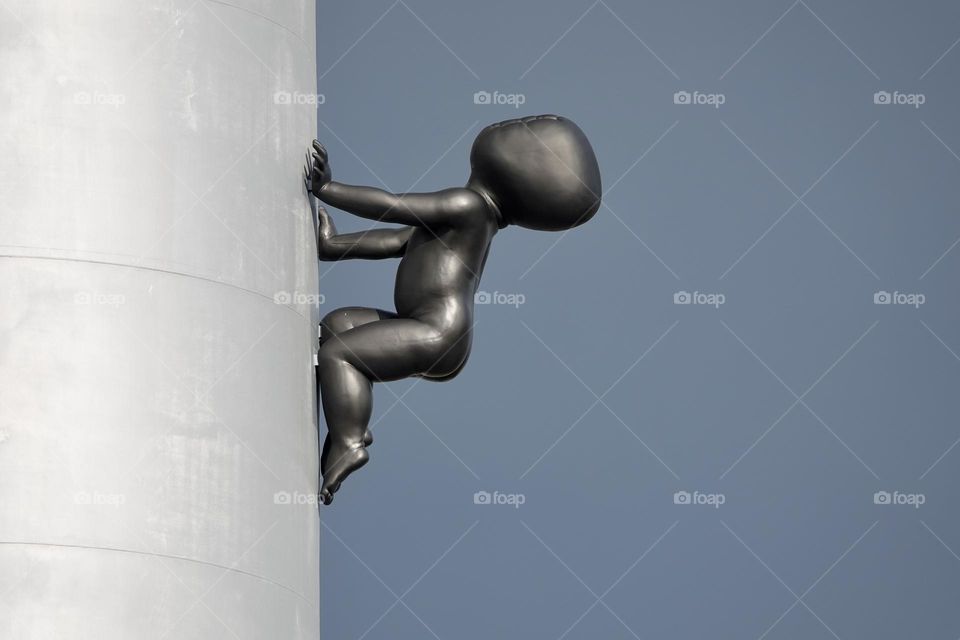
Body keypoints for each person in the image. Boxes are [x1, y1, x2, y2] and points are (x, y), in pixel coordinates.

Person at [305, 115, 601, 504]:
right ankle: (348, 409)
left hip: (435, 331)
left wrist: (330, 189)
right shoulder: (476, 219)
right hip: (434, 330)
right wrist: (333, 246)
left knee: (339, 354)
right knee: (338, 325)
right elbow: (396, 241)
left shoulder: (467, 205)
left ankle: (349, 438)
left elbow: (394, 207)